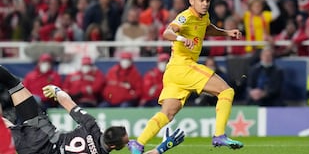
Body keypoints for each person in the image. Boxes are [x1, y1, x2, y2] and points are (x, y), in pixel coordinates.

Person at [128, 0, 244, 154]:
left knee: (167, 113)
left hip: (173, 71)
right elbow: (167, 32)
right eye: (201, 0)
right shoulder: (185, 16)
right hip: (184, 66)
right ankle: (219, 135)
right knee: (226, 91)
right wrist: (181, 39)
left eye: (207, 0)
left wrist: (226, 33)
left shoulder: (203, 17)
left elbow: (207, 29)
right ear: (191, 1)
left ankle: (138, 143)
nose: (205, 3)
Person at [0, 65, 185, 154]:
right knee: (5, 126)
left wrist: (57, 91)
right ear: (113, 147)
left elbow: (68, 102)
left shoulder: (92, 126)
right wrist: (163, 147)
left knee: (13, 85)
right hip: (34, 148)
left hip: (42, 133)